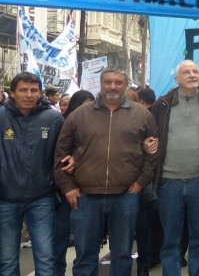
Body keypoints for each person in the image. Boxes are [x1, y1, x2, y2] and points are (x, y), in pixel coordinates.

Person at [54, 67, 159, 276]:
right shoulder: (79, 115)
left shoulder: (142, 114)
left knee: (122, 254)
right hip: (85, 196)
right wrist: (68, 187)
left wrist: (141, 181)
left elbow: (153, 152)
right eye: (108, 82)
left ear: (126, 85)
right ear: (100, 84)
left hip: (126, 195)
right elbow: (60, 155)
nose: (113, 86)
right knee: (85, 255)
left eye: (118, 82)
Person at [149, 60, 199, 276]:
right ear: (177, 79)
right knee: (171, 240)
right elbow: (150, 134)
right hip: (168, 183)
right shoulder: (161, 105)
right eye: (186, 72)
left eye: (195, 71)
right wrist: (147, 142)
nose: (192, 75)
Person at [0, 72, 64, 276]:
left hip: (41, 198)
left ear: (40, 93)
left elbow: (63, 152)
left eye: (33, 90)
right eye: (23, 90)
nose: (28, 95)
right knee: (7, 260)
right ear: (12, 93)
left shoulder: (53, 118)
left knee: (46, 260)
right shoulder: (1, 117)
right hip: (5, 198)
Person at [54, 90, 96, 276]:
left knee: (85, 242)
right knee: (60, 238)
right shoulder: (62, 123)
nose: (87, 109)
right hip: (63, 191)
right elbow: (56, 157)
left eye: (91, 104)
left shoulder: (96, 125)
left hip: (87, 191)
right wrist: (67, 186)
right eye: (84, 104)